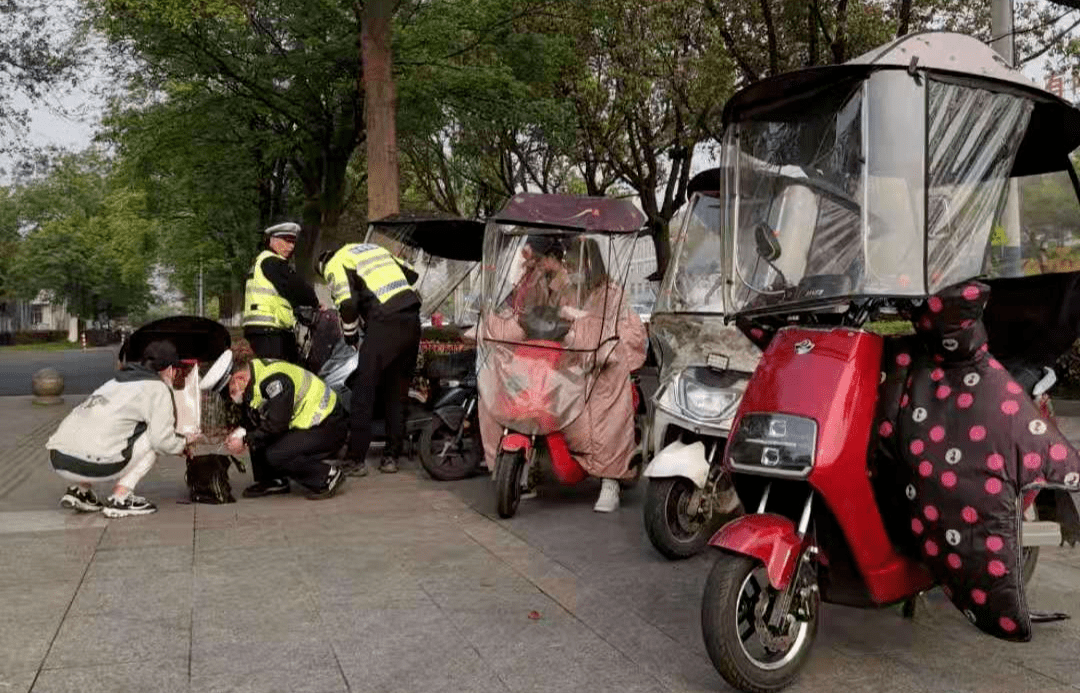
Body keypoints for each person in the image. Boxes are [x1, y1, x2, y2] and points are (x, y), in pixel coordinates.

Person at [478, 236, 647, 512]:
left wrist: (575, 319)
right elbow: (535, 313)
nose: (569, 265)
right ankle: (528, 464)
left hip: (602, 355)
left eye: (574, 260)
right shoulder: (561, 285)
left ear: (590, 262)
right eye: (567, 260)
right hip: (569, 357)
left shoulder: (610, 290)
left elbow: (605, 326)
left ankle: (610, 480)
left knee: (601, 400)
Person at [46, 340, 199, 518]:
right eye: (176, 371)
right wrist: (185, 441)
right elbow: (161, 441)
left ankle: (81, 490)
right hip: (90, 464)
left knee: (104, 430)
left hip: (59, 457)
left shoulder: (115, 381)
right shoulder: (158, 388)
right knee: (152, 438)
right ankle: (121, 497)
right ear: (170, 369)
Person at [316, 242, 421, 476]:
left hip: (384, 322)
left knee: (363, 391)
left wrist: (351, 335)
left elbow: (348, 303)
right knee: (396, 392)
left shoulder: (334, 263)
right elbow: (411, 273)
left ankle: (356, 460)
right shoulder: (370, 249)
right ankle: (391, 456)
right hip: (411, 318)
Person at [200, 343, 347, 500]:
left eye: (231, 391)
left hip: (329, 423)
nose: (231, 397)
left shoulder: (274, 381)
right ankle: (273, 480)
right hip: (309, 423)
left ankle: (327, 476)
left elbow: (276, 425)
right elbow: (257, 419)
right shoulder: (254, 373)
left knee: (276, 454)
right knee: (254, 429)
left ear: (240, 378)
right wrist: (242, 431)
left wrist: (244, 440)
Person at [242, 221, 319, 363]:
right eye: (287, 241)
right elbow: (296, 288)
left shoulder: (260, 261)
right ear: (273, 240)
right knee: (279, 375)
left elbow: (279, 294)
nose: (291, 246)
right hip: (270, 330)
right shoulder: (272, 262)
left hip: (260, 329)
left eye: (293, 242)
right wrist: (316, 303)